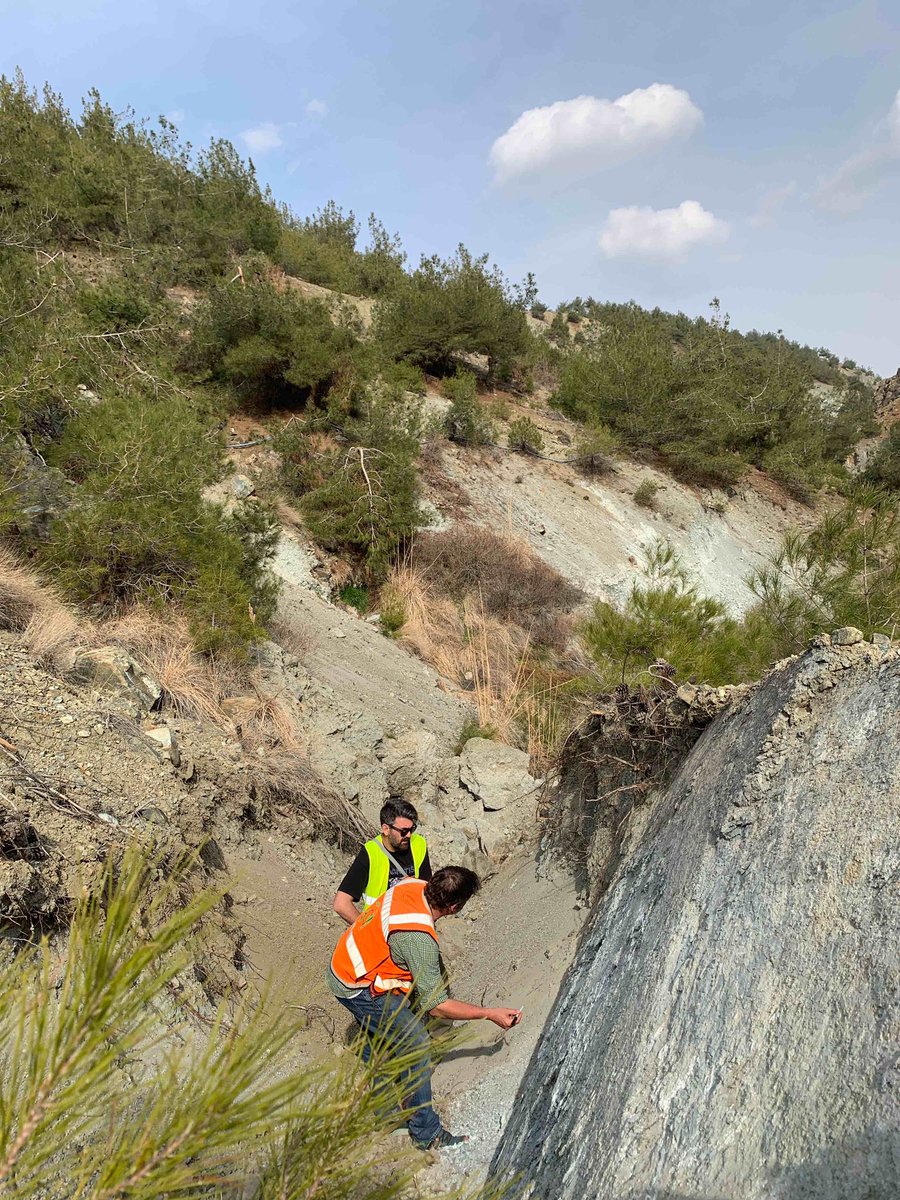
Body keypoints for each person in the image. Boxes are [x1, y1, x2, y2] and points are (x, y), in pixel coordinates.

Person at [326, 865, 522, 1151]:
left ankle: (386, 1113)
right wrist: (488, 1013)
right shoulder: (418, 939)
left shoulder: (411, 885)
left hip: (344, 964)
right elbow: (437, 1006)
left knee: (378, 1039)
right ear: (454, 907)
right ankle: (425, 1132)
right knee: (416, 1041)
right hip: (358, 985)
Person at [333, 799, 432, 925]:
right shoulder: (371, 853)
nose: (408, 835)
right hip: (381, 928)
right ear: (386, 829)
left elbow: (428, 890)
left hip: (411, 924)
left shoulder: (418, 844)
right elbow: (341, 904)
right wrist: (366, 931)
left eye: (412, 829)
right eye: (403, 831)